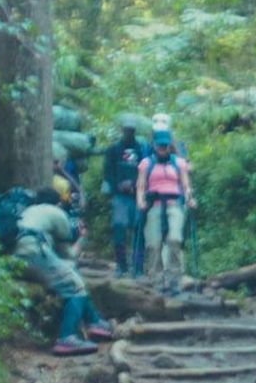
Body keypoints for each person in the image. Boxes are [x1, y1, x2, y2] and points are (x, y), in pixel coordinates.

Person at [12, 186, 116, 356]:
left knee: (70, 275)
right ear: (59, 203)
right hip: (34, 252)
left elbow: (62, 261)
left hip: (16, 257)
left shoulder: (28, 211)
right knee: (75, 286)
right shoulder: (56, 213)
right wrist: (82, 238)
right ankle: (67, 337)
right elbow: (69, 255)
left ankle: (95, 322)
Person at [136, 125, 196, 294]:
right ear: (154, 145)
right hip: (154, 206)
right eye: (160, 145)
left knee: (175, 240)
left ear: (170, 145)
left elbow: (186, 186)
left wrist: (190, 199)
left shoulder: (180, 163)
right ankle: (156, 280)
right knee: (154, 244)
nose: (163, 148)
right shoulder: (146, 163)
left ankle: (174, 278)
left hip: (174, 205)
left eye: (165, 145)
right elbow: (140, 186)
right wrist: (140, 201)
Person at [102, 116, 149, 276]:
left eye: (132, 130)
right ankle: (121, 266)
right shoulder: (113, 150)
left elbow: (146, 170)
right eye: (127, 129)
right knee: (119, 228)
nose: (129, 132)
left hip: (138, 195)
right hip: (120, 196)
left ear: (135, 131)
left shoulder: (142, 150)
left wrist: (135, 183)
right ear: (123, 130)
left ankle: (138, 267)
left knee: (139, 230)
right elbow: (108, 173)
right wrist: (118, 185)